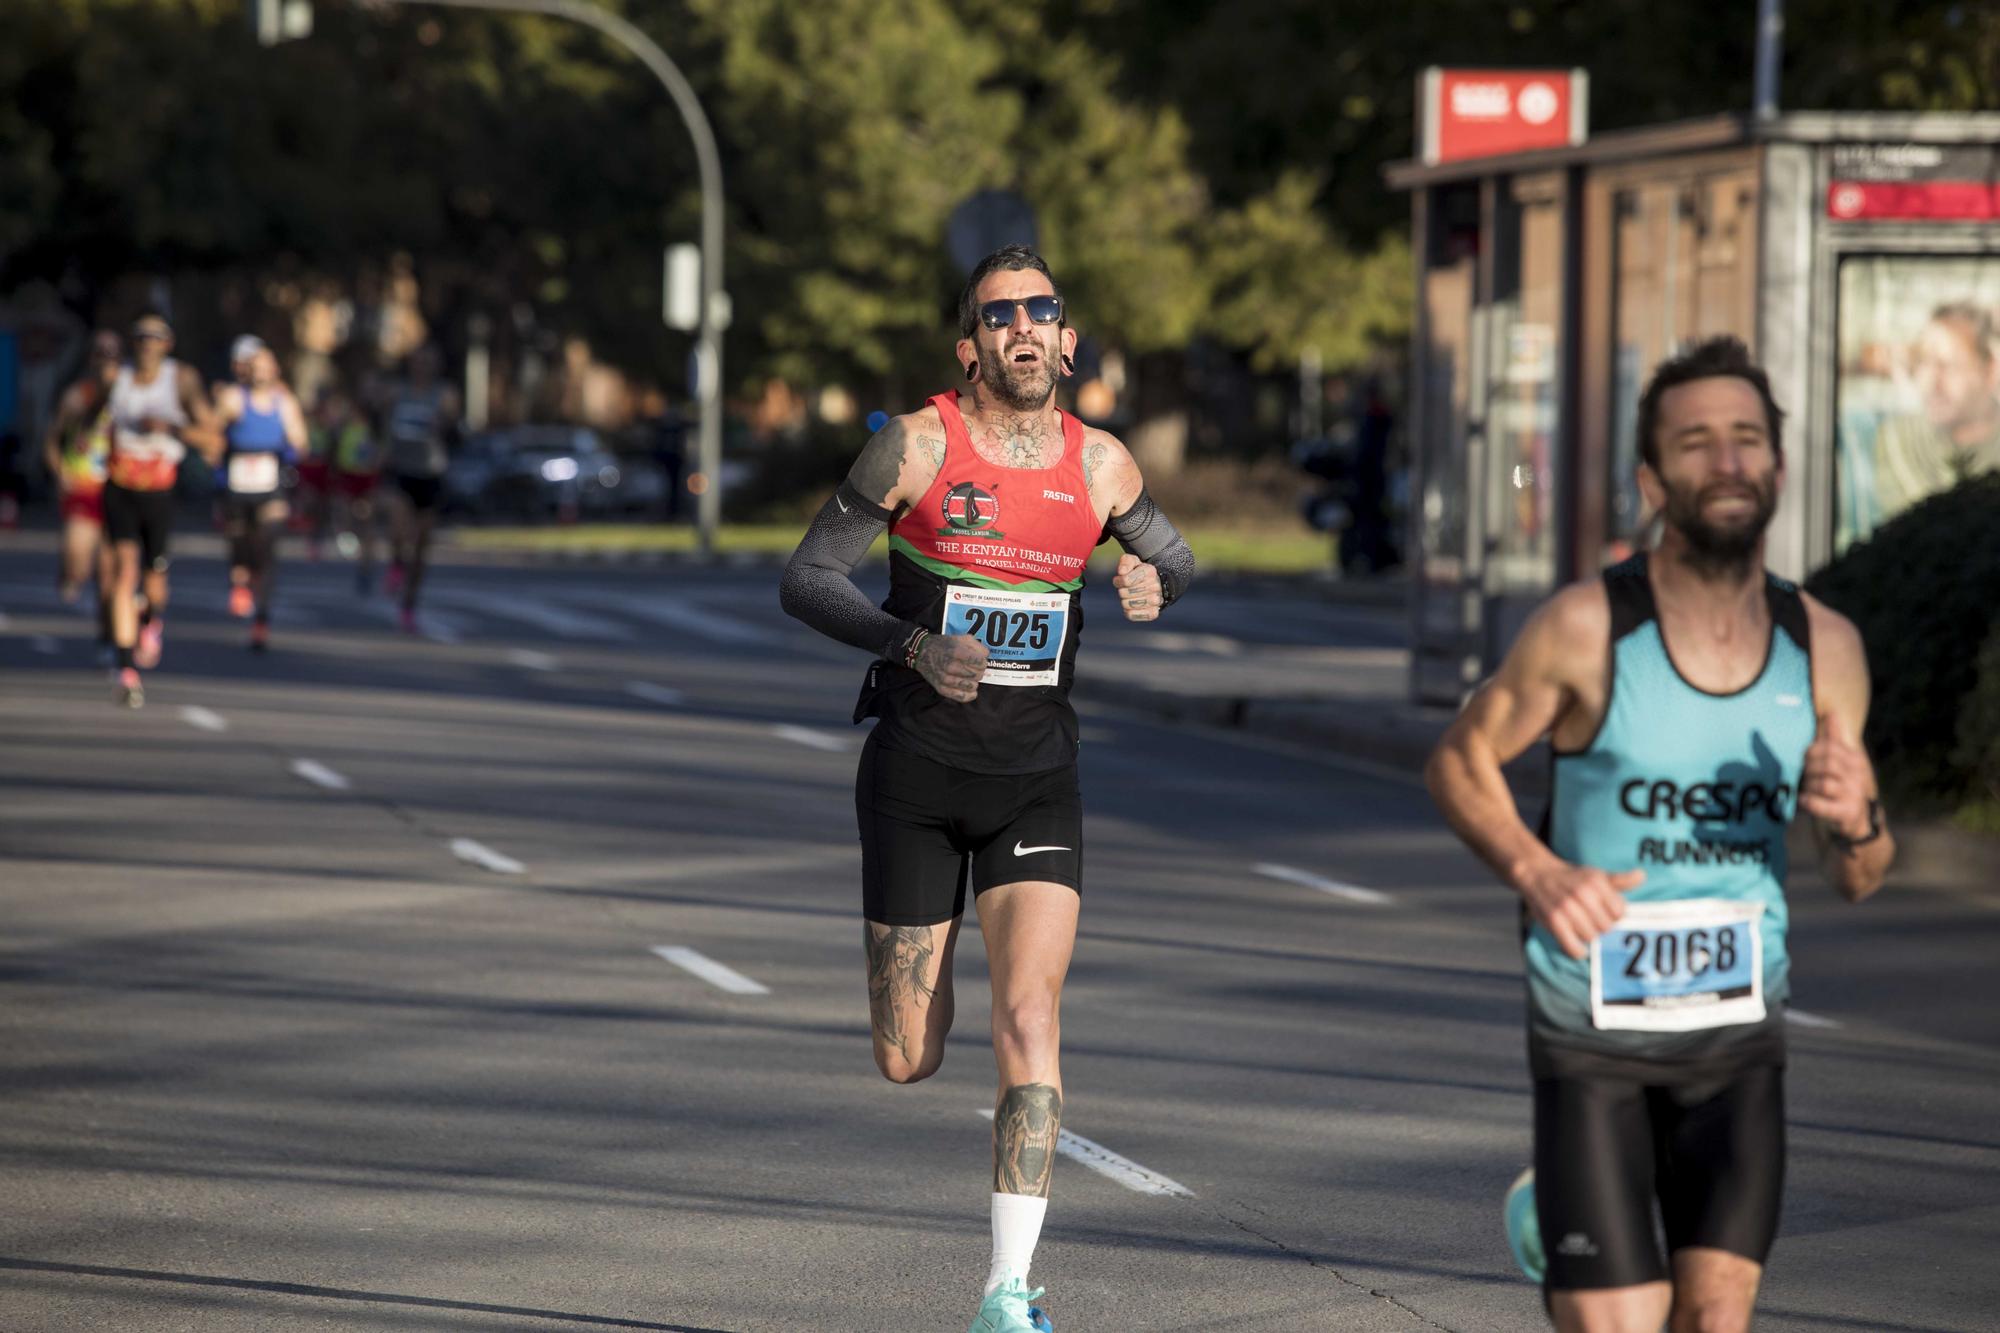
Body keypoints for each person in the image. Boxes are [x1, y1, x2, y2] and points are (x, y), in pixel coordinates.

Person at [1425, 336, 1895, 1332]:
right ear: (1650, 478)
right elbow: (1458, 760)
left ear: (1774, 463)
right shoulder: (1587, 628)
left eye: (1744, 439)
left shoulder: (1825, 646)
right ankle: (1559, 1210)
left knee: (1715, 1315)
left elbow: (1857, 875)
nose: (1724, 462)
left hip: (1735, 1050)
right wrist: (1538, 870)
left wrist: (1857, 820)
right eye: (1694, 443)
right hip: (1592, 1046)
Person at [780, 245, 1196, 1333]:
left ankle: (1006, 1294)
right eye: (998, 314)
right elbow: (806, 578)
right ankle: (929, 965)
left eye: (1041, 312)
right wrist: (911, 645)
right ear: (968, 344)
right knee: (907, 1053)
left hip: (1035, 783)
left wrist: (1151, 573)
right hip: (915, 776)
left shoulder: (1100, 466)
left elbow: (1179, 557)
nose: (1023, 329)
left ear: (1065, 337)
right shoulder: (913, 447)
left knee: (1030, 1018)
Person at [102, 312, 220, 707]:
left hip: (159, 490)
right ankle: (125, 669)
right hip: (119, 486)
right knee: (124, 572)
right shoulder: (115, 378)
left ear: (168, 344)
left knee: (154, 582)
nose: (148, 343)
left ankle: (151, 622)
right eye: (141, 337)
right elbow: (79, 415)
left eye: (156, 337)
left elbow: (211, 435)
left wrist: (169, 430)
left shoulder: (181, 379)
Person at [213, 340, 308, 650]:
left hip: (270, 484)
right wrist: (219, 455)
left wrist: (290, 449)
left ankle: (261, 620)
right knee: (240, 541)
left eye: (266, 366)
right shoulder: (232, 398)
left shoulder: (285, 402)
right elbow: (212, 434)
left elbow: (301, 441)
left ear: (275, 370)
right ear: (246, 370)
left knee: (267, 546)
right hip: (238, 485)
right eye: (255, 366)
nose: (261, 372)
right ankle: (239, 580)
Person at [1870, 302, 2000, 521]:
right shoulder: (1898, 439)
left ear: (1991, 371)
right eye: (1924, 363)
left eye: (1948, 365)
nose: (1931, 382)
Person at [41, 330, 122, 649]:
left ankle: (109, 629)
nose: (107, 366)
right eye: (101, 357)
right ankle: (68, 572)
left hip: (118, 489)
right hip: (83, 486)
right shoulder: (77, 396)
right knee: (78, 559)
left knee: (109, 570)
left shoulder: (128, 396)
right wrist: (60, 472)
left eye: (113, 359)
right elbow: (52, 439)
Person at [379, 346, 458, 632]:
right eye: (418, 362)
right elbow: (385, 425)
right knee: (398, 529)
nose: (422, 367)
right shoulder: (397, 393)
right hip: (402, 471)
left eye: (428, 362)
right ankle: (397, 562)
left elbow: (453, 427)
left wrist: (445, 421)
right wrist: (383, 451)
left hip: (431, 472)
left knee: (422, 547)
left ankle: (409, 605)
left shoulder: (444, 394)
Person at [318, 387, 382, 592]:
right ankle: (347, 538)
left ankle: (366, 567)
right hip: (347, 476)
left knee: (366, 521)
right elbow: (334, 450)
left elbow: (380, 453)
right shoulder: (343, 428)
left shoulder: (373, 430)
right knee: (343, 511)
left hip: (367, 479)